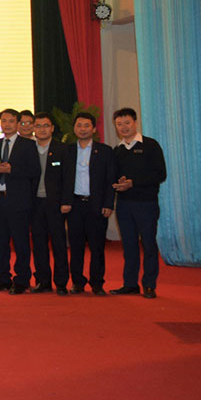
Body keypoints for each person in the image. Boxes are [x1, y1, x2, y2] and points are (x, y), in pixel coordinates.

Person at [111, 107, 167, 299]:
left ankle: (149, 285)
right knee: (129, 246)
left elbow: (160, 174)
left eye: (127, 123)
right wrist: (119, 182)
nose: (123, 127)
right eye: (119, 124)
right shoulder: (117, 151)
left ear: (135, 122)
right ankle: (130, 284)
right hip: (124, 205)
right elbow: (114, 176)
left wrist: (133, 183)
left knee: (149, 244)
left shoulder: (150, 145)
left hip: (146, 204)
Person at [61, 112, 117, 295]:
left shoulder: (105, 151)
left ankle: (97, 283)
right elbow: (62, 179)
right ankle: (77, 282)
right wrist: (65, 201)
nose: (82, 129)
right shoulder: (67, 151)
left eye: (87, 126)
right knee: (76, 247)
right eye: (79, 125)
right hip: (75, 205)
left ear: (93, 129)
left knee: (97, 247)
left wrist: (108, 204)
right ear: (74, 128)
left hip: (97, 205)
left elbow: (110, 180)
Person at [0, 108, 41, 294]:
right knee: (1, 243)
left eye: (11, 121)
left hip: (18, 201)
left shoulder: (28, 145)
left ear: (18, 124)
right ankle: (3, 278)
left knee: (20, 242)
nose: (7, 124)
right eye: (4, 121)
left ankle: (22, 279)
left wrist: (12, 170)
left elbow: (34, 171)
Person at [30, 113, 70, 294]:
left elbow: (68, 178)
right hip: (34, 204)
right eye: (38, 126)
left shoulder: (62, 149)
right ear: (33, 129)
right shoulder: (29, 149)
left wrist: (66, 201)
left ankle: (61, 283)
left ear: (52, 128)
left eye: (45, 125)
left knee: (59, 244)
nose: (42, 129)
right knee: (39, 244)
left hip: (56, 204)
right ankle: (43, 281)